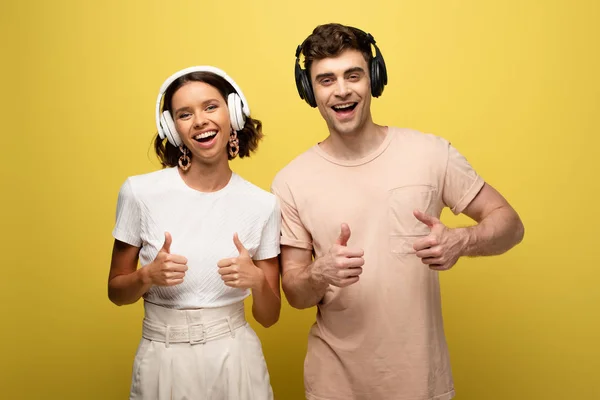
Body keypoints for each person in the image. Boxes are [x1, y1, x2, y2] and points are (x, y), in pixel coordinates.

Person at [271, 23, 525, 400]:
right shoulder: (290, 181)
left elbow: (510, 225)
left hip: (422, 382)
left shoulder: (430, 153)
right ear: (310, 91)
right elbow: (294, 292)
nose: (341, 90)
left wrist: (463, 240)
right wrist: (318, 272)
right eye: (325, 80)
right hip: (334, 385)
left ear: (374, 78)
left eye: (353, 75)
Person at [108, 66, 281, 400]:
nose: (200, 120)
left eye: (211, 107)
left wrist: (257, 280)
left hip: (236, 359)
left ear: (233, 114)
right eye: (185, 114)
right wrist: (147, 276)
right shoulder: (139, 193)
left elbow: (270, 317)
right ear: (172, 129)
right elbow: (116, 292)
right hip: (163, 356)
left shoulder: (264, 205)